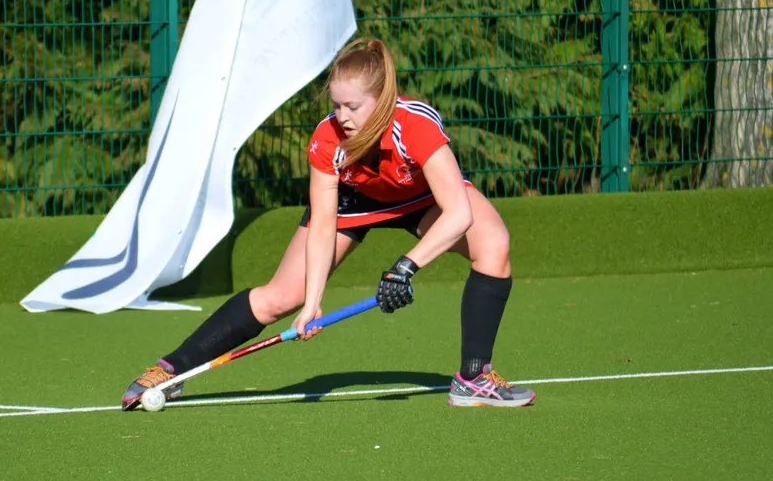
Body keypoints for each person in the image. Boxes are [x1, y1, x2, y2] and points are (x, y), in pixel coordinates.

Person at [122, 37, 535, 410]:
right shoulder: (327, 138)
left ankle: (473, 378)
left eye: (352, 106)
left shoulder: (416, 125)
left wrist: (404, 267)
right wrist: (312, 302)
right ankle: (171, 370)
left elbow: (458, 213)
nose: (342, 116)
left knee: (494, 243)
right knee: (278, 298)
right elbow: (323, 224)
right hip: (354, 202)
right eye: (336, 105)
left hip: (420, 196)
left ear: (383, 99)